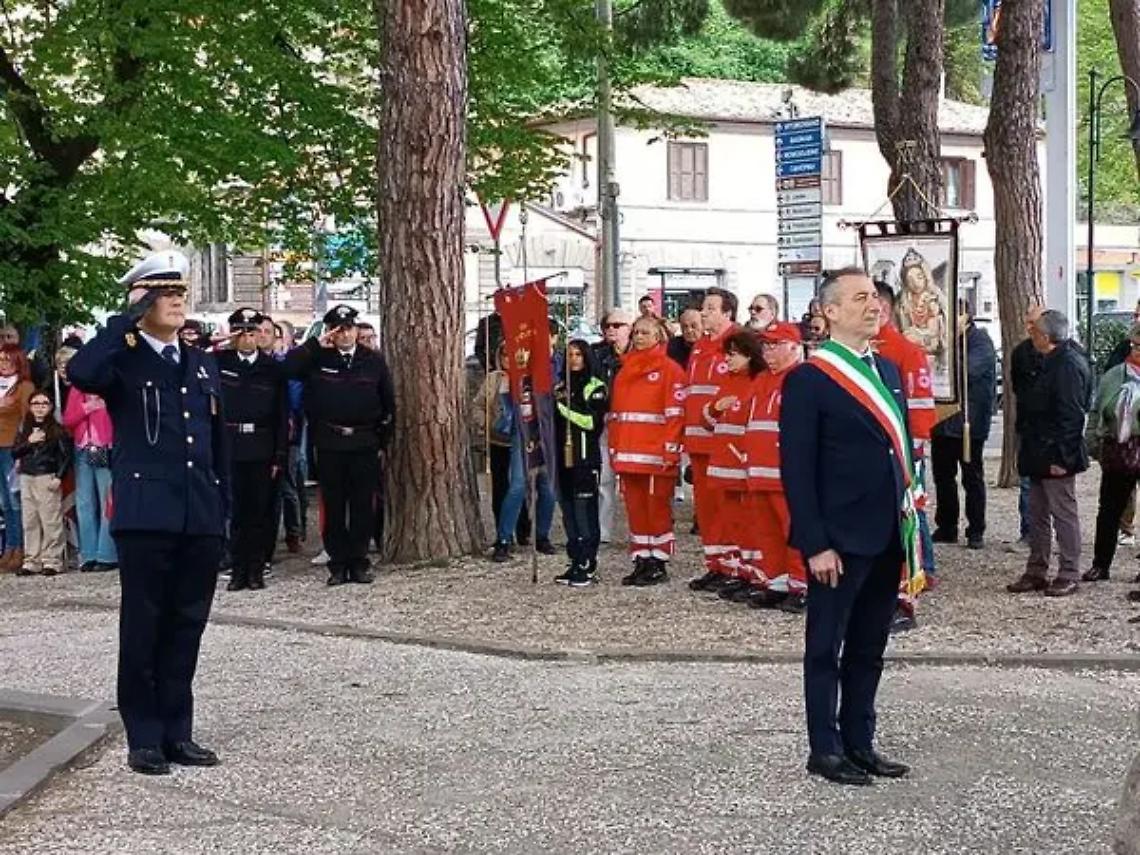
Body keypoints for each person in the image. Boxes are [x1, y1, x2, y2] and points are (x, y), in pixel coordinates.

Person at [67, 249, 228, 775]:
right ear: (143, 300)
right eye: (165, 293)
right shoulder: (123, 359)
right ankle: (145, 735)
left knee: (187, 624)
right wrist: (122, 322)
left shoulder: (201, 363)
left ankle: (178, 732)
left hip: (197, 512)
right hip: (145, 513)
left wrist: (220, 506)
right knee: (143, 624)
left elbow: (215, 442)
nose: (178, 301)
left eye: (181, 292)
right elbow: (84, 373)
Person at [781, 267, 914, 787]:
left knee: (869, 647)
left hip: (884, 534)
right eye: (860, 298)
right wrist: (815, 542)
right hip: (837, 538)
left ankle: (861, 740)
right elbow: (796, 467)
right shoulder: (809, 379)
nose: (873, 305)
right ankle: (825, 748)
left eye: (875, 297)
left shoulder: (889, 372)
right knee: (825, 647)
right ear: (829, 312)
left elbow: (896, 451)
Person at [284, 304, 396, 586]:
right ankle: (338, 563)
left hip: (364, 441)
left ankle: (359, 561)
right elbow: (286, 368)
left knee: (362, 505)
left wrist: (383, 441)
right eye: (338, 329)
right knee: (333, 506)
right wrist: (314, 344)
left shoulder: (373, 361)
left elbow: (388, 403)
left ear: (356, 331)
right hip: (330, 442)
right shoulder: (317, 358)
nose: (344, 335)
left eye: (348, 328)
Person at [1006, 310, 1092, 598]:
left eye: (1035, 332)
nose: (1031, 337)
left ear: (1045, 336)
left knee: (1063, 514)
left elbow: (1071, 418)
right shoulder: (1046, 360)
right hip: (1037, 448)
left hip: (1055, 453)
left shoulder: (1067, 365)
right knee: (1037, 512)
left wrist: (1062, 458)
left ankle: (1069, 571)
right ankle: (1037, 569)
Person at [608, 316, 686, 586]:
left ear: (659, 337)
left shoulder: (670, 370)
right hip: (629, 454)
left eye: (645, 332)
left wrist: (670, 451)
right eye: (637, 332)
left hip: (655, 455)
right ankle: (641, 557)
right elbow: (618, 415)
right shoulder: (625, 370)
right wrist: (615, 450)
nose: (639, 337)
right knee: (635, 510)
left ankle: (658, 561)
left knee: (657, 509)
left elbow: (675, 415)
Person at [217, 308, 287, 591]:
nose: (247, 338)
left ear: (260, 335)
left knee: (259, 512)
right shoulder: (218, 363)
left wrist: (279, 454)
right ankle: (237, 569)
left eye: (252, 332)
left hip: (262, 445)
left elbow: (282, 416)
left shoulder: (272, 369)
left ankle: (256, 568)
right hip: (231, 444)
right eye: (241, 332)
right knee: (235, 512)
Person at [700, 328, 768, 604]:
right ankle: (736, 570)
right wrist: (715, 408)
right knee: (730, 523)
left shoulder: (758, 383)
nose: (728, 359)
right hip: (723, 465)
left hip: (743, 465)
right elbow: (707, 420)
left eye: (733, 354)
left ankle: (755, 574)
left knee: (749, 523)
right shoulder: (728, 381)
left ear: (749, 356)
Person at [745, 322, 808, 611]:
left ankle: (802, 585)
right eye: (765, 345)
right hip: (759, 471)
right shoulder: (761, 380)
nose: (767, 352)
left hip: (786, 474)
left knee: (794, 532)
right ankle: (776, 582)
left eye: (774, 345)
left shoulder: (802, 378)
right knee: (767, 532)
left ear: (794, 347)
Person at [684, 287, 741, 590]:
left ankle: (735, 567)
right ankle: (715, 564)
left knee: (726, 508)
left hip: (723, 440)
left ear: (727, 313)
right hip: (698, 440)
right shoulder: (700, 346)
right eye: (704, 308)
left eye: (710, 308)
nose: (703, 313)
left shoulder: (736, 344)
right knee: (705, 509)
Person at [931, 301, 997, 549]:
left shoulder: (980, 341)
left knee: (972, 477)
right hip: (943, 421)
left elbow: (965, 371)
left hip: (970, 423)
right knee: (943, 477)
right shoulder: (941, 339)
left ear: (966, 316)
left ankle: (976, 529)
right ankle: (947, 526)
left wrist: (945, 351)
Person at [1083, 321, 1140, 585]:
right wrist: (1093, 441)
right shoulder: (1115, 375)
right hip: (1119, 447)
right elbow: (1097, 411)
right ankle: (1101, 564)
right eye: (1135, 345)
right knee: (1109, 509)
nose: (1137, 349)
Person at [552, 339, 609, 586]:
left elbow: (591, 422)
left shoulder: (596, 386)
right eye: (570, 354)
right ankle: (575, 560)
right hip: (562, 460)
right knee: (568, 513)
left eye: (578, 354)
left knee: (584, 511)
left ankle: (588, 562)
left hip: (585, 459)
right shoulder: (561, 385)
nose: (574, 359)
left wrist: (563, 407)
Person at [472, 342, 532, 549]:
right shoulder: (493, 379)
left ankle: (523, 530)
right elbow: (478, 405)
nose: (508, 359)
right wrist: (485, 424)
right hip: (498, 439)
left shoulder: (529, 379)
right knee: (500, 487)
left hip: (522, 438)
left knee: (520, 486)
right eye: (504, 354)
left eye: (512, 355)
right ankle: (502, 531)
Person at [12, 391, 72, 576]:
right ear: (30, 407)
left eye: (44, 403)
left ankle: (52, 560)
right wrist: (29, 442)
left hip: (47, 476)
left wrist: (59, 477)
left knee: (50, 519)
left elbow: (66, 456)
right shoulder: (24, 428)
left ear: (51, 407)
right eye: (36, 403)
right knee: (30, 520)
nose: (40, 407)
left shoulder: (57, 430)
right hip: (27, 476)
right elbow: (15, 452)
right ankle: (32, 559)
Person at [62, 381, 118, 572]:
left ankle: (107, 554)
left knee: (107, 501)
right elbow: (68, 419)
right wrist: (87, 407)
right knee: (84, 502)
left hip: (105, 447)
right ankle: (88, 554)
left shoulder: (110, 386)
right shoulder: (77, 389)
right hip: (82, 448)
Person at [592, 308, 632, 543]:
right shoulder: (597, 355)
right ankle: (603, 530)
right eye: (608, 326)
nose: (611, 330)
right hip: (605, 421)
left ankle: (639, 532)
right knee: (604, 478)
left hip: (632, 424)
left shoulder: (641, 354)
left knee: (633, 481)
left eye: (618, 325)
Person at [1008, 303, 1045, 550]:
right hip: (1029, 426)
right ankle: (1028, 532)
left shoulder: (1065, 353)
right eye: (1028, 323)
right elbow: (1018, 387)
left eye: (1034, 323)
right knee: (1027, 483)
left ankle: (1049, 534)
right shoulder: (1021, 352)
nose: (1029, 328)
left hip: (1052, 430)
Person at [0, 345, 34, 571]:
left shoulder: (24, 387)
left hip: (12, 447)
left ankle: (20, 548)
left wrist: (23, 452)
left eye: (7, 360)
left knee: (16, 501)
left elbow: (28, 420)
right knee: (4, 502)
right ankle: (10, 547)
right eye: (0, 359)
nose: (2, 363)